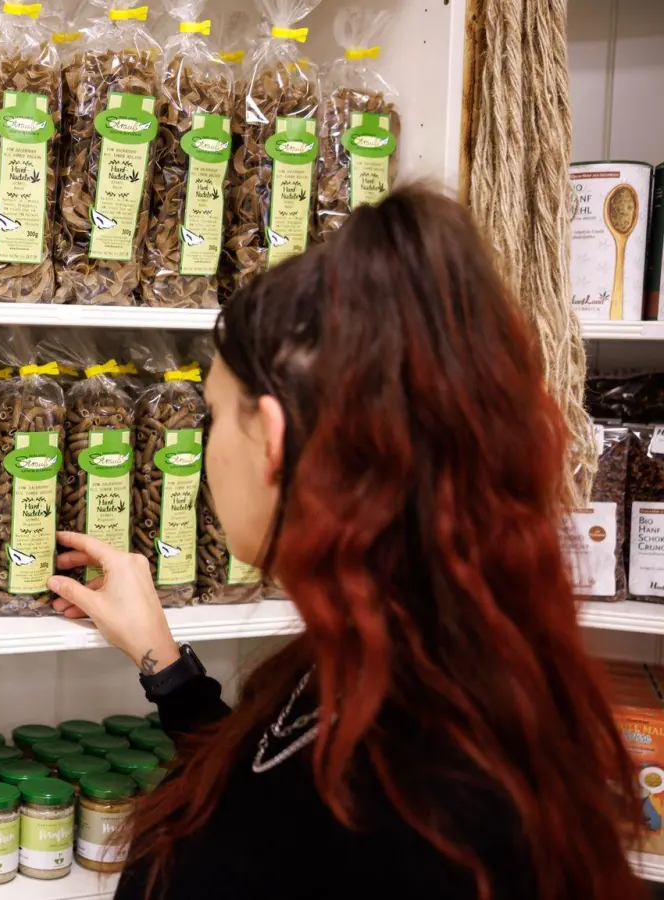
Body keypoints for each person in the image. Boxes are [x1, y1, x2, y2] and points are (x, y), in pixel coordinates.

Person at [49, 187, 642, 899]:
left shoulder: (425, 800)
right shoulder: (419, 657)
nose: (206, 449)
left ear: (270, 438)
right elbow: (272, 790)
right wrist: (165, 666)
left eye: (211, 416)